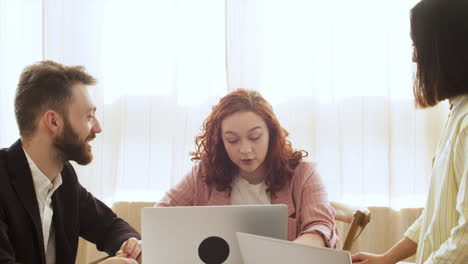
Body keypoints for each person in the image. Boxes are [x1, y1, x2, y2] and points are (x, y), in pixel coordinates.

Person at [352, 0, 468, 263]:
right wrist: (387, 258)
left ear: (447, 49)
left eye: (418, 46)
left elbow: (466, 238)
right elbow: (438, 214)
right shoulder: (457, 113)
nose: (414, 57)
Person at [156, 88, 338, 248]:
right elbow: (159, 217)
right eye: (232, 140)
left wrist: (288, 255)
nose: (245, 150)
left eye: (255, 137)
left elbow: (321, 227)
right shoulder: (204, 173)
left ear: (271, 134)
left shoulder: (304, 174)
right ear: (220, 142)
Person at [0, 61, 142, 264]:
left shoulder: (63, 177)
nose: (98, 128)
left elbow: (109, 225)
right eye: (89, 116)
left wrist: (131, 245)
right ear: (54, 121)